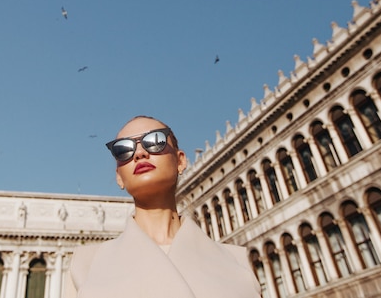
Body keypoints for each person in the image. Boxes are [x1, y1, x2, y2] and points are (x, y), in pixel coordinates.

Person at [64, 115, 261, 298]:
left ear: (180, 161)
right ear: (119, 176)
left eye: (155, 142)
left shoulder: (237, 261)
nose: (139, 153)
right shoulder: (85, 265)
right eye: (123, 150)